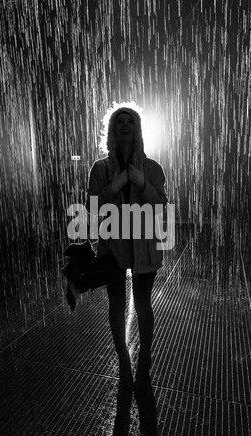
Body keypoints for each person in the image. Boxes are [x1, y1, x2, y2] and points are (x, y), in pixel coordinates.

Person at [86, 102, 168, 388]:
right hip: (113, 247)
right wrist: (114, 186)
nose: (124, 125)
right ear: (112, 130)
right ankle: (124, 359)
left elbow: (160, 207)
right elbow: (92, 207)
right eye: (119, 121)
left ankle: (144, 357)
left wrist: (143, 184)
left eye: (129, 121)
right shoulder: (101, 168)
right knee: (117, 306)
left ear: (137, 129)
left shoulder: (151, 167)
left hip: (144, 247)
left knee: (143, 305)